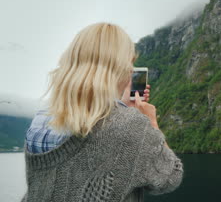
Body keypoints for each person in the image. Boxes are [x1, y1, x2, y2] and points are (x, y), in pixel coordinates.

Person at [22, 23, 183, 202]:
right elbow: (170, 176)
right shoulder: (131, 125)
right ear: (120, 67)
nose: (131, 70)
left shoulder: (41, 119)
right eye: (130, 62)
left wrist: (122, 106)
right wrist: (151, 122)